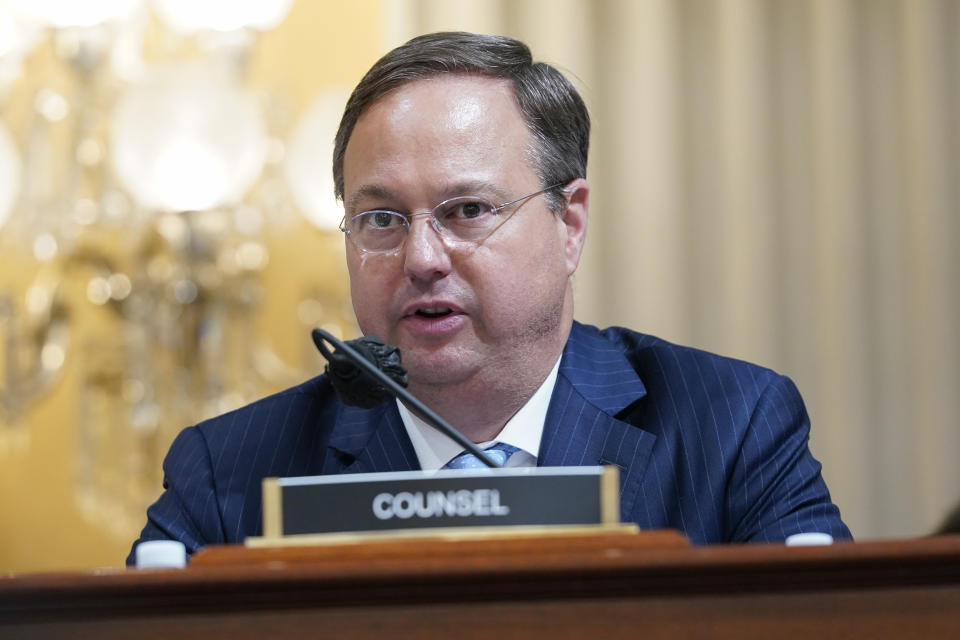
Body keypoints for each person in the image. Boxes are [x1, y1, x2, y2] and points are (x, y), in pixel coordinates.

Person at [127, 32, 849, 563]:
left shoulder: (731, 426)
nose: (421, 259)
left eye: (467, 210)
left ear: (568, 224)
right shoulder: (230, 471)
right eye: (381, 219)